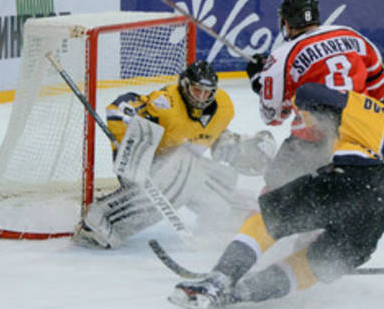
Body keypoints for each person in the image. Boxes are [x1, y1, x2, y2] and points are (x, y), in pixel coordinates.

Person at [168, 81, 384, 309]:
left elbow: (309, 92)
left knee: (268, 220)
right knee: (311, 265)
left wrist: (310, 115)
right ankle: (243, 293)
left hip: (349, 180)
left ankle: (220, 279)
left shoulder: (366, 106)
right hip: (376, 218)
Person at [75, 60, 276, 249]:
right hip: (141, 168)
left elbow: (213, 136)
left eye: (207, 93)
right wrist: (129, 141)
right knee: (184, 162)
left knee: (220, 178)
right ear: (185, 85)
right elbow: (118, 108)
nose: (201, 98)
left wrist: (239, 149)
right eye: (197, 90)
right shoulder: (165, 104)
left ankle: (231, 219)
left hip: (180, 172)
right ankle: (98, 222)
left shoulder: (222, 108)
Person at [246, 0, 384, 189]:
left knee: (274, 186)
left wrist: (259, 82)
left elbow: (273, 117)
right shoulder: (352, 36)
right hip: (363, 136)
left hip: (311, 143)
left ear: (286, 23)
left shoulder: (282, 56)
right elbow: (379, 90)